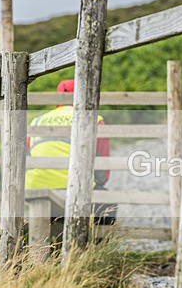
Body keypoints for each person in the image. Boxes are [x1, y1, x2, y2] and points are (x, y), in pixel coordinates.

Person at [25, 79, 116, 229]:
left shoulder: (38, 121)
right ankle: (96, 241)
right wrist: (97, 185)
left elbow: (28, 156)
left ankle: (51, 237)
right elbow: (103, 170)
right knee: (108, 202)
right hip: (75, 187)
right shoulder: (94, 120)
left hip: (35, 187)